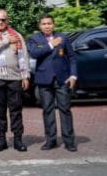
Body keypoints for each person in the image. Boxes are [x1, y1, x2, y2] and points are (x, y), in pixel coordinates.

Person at [28, 14, 78, 152]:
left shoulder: (63, 37)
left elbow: (72, 57)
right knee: (47, 110)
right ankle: (51, 140)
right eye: (44, 24)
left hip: (62, 80)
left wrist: (73, 75)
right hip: (44, 80)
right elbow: (34, 53)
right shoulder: (34, 39)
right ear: (40, 26)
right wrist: (51, 45)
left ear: (53, 24)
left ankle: (69, 141)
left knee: (65, 110)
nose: (47, 26)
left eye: (49, 23)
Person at [0, 8, 30, 152]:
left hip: (15, 77)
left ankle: (18, 140)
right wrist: (6, 40)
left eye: (3, 19)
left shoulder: (17, 35)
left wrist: (25, 75)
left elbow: (23, 56)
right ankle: (1, 140)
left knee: (16, 110)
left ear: (7, 20)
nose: (1, 22)